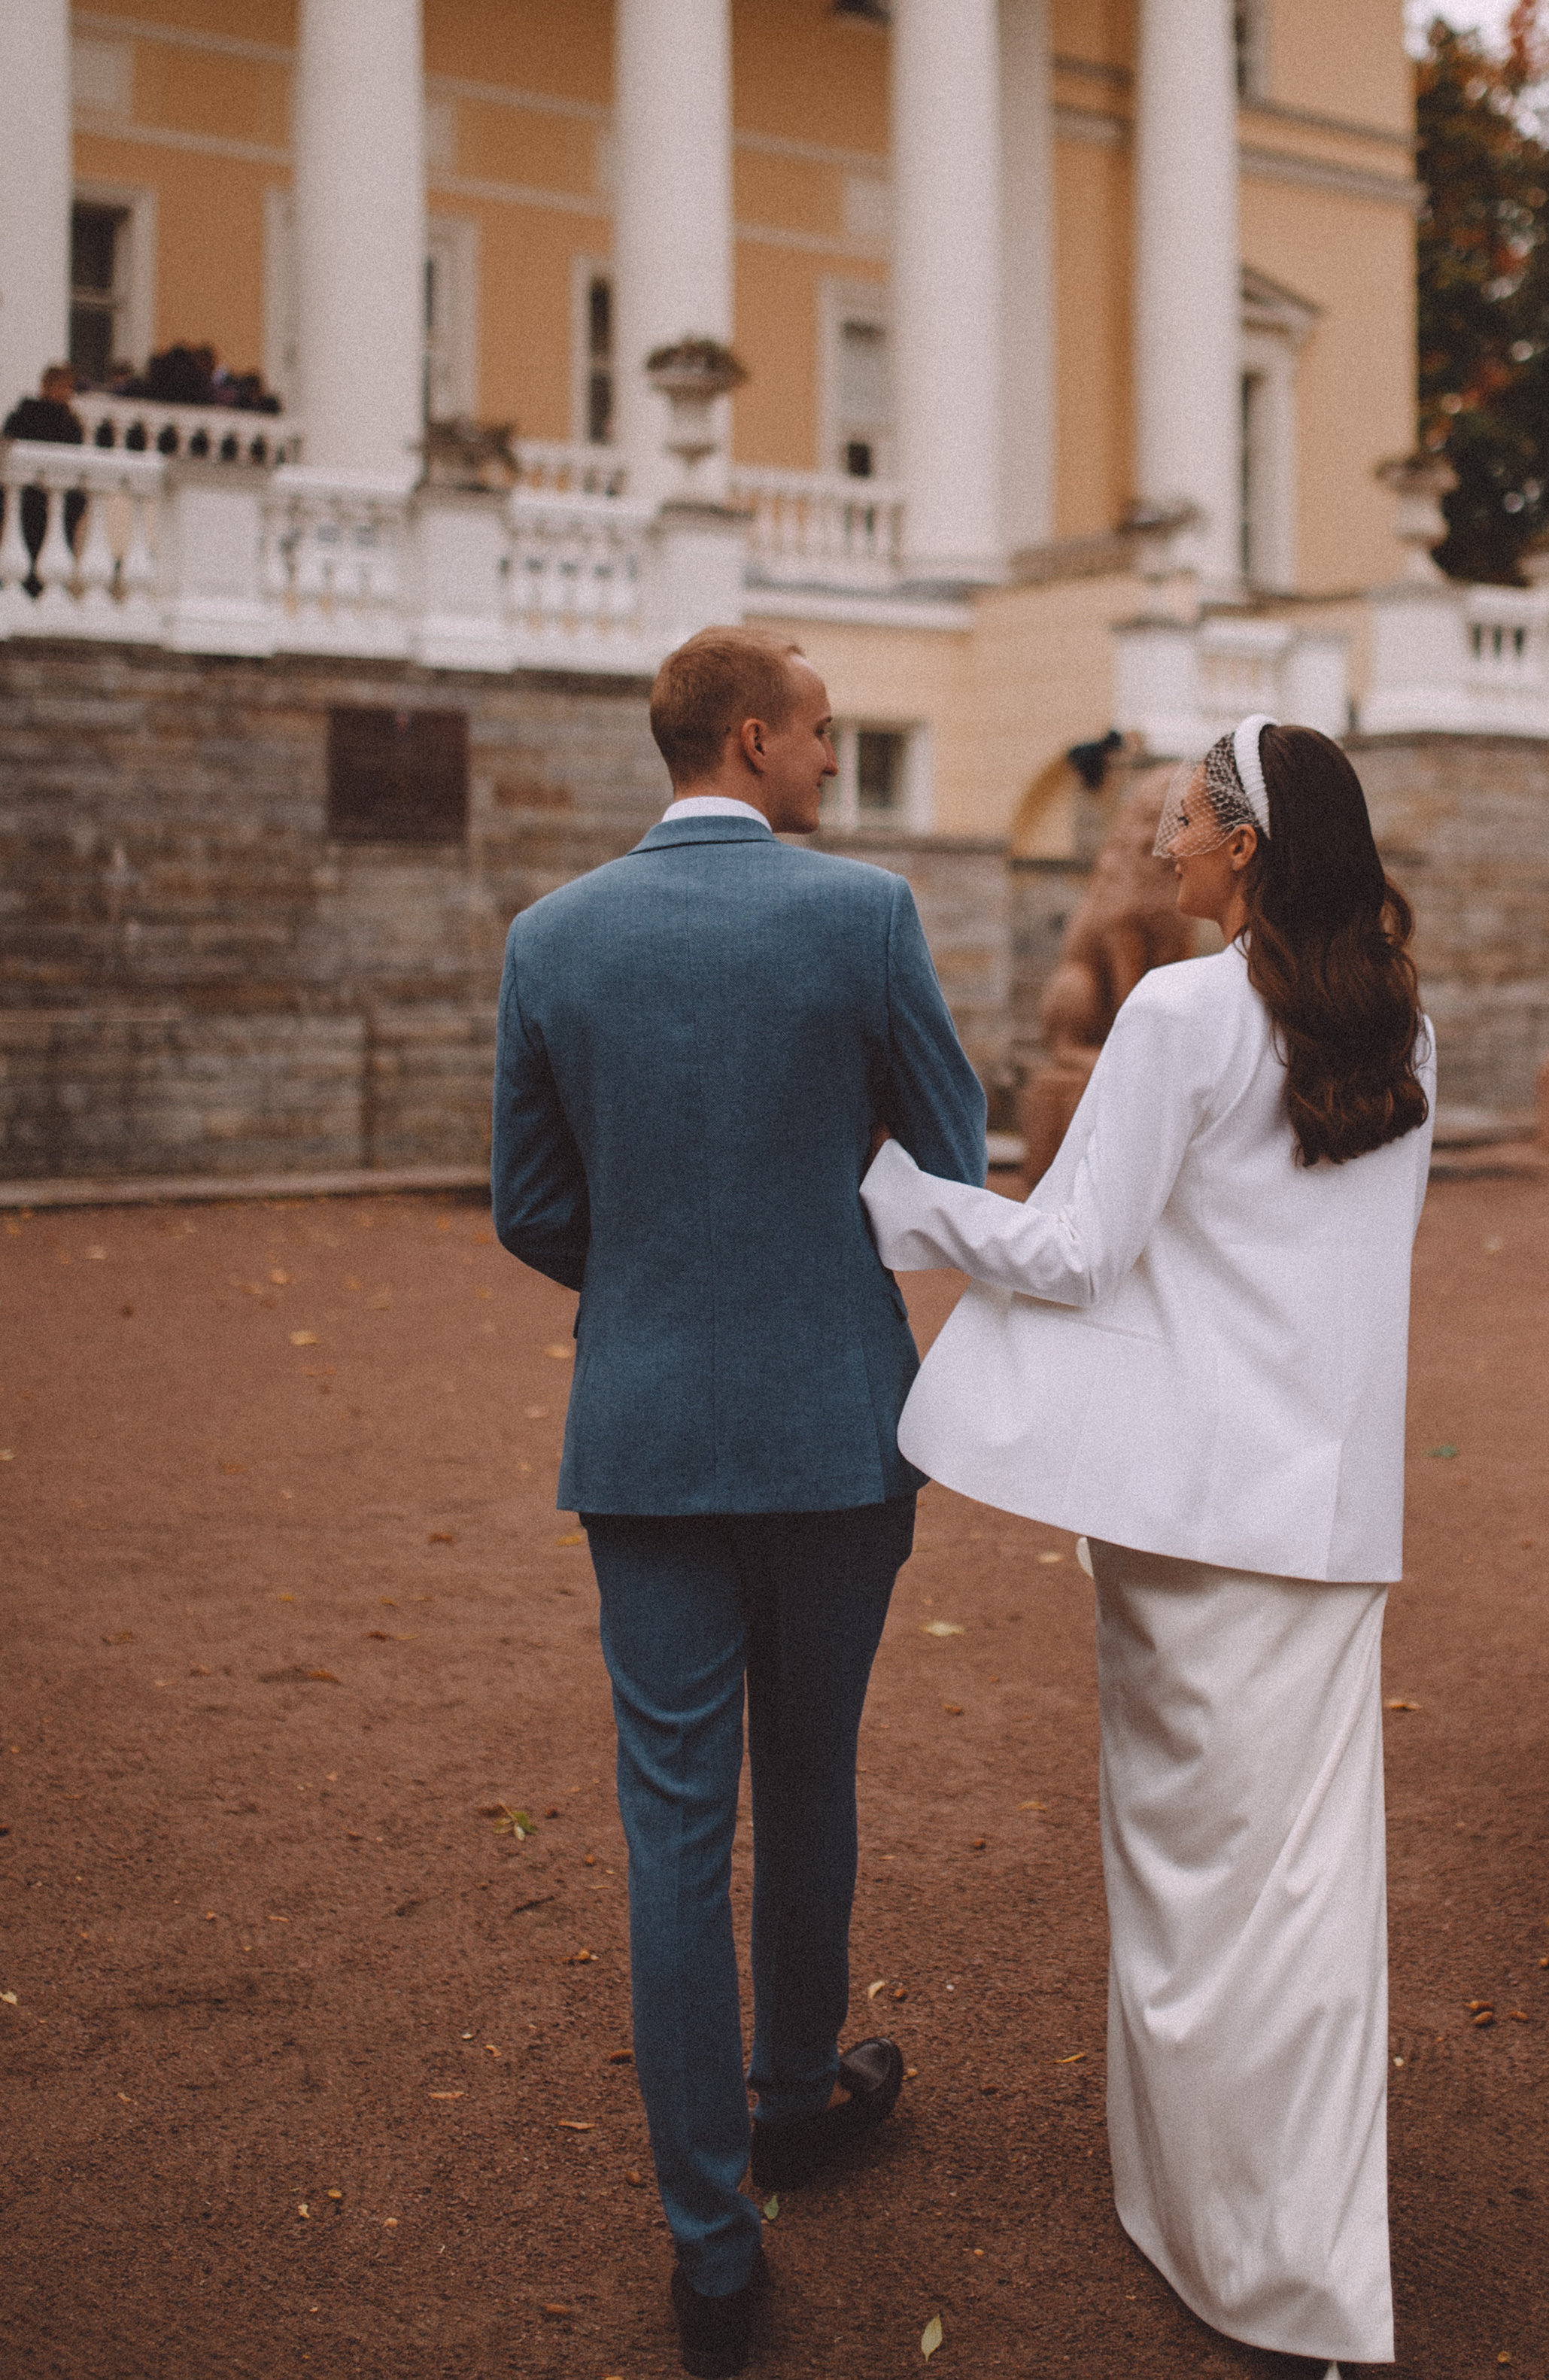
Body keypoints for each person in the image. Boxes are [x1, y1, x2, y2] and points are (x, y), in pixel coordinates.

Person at [861, 718, 1434, 2378]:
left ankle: (1232, 2237)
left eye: (1179, 817)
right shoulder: (1399, 1020)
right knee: (1306, 1887)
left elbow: (1074, 1251)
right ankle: (1304, 2255)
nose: (1160, 843)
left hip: (1192, 1515)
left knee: (1189, 1878)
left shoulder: (1181, 1010)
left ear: (1243, 844)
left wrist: (896, 1193)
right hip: (1331, 1513)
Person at [491, 625, 986, 2380]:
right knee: (811, 1771)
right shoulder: (863, 916)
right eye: (825, 732)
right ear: (754, 739)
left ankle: (711, 2249)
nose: (835, 758)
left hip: (641, 1433)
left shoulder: (550, 938)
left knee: (671, 1828)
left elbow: (527, 1205)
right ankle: (789, 2092)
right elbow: (949, 1158)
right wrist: (806, 1259)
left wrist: (656, 1287)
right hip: (835, 1423)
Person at [2, 362, 85, 443]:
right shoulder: (21, 420)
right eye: (61, 386)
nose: (67, 392)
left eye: (70, 387)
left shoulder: (70, 424)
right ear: (46, 385)